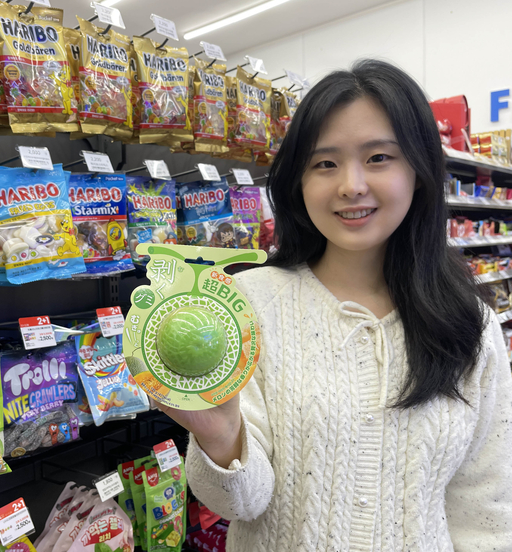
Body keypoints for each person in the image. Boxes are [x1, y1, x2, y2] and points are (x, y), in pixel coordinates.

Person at [157, 59, 512, 551]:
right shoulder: (247, 305)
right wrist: (221, 439)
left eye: (379, 157)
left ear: (419, 170)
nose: (351, 185)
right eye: (325, 163)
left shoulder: (470, 325)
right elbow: (240, 505)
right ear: (298, 182)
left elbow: (485, 510)